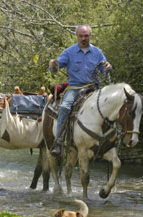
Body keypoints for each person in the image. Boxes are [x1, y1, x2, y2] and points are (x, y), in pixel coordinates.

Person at [49, 24, 112, 156]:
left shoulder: (97, 52)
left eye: (86, 36)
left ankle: (110, 141)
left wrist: (108, 67)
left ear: (90, 36)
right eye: (81, 36)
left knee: (110, 106)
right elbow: (56, 67)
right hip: (75, 88)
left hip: (93, 87)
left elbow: (105, 70)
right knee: (65, 107)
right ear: (77, 36)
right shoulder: (69, 52)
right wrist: (53, 65)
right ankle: (58, 141)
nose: (84, 38)